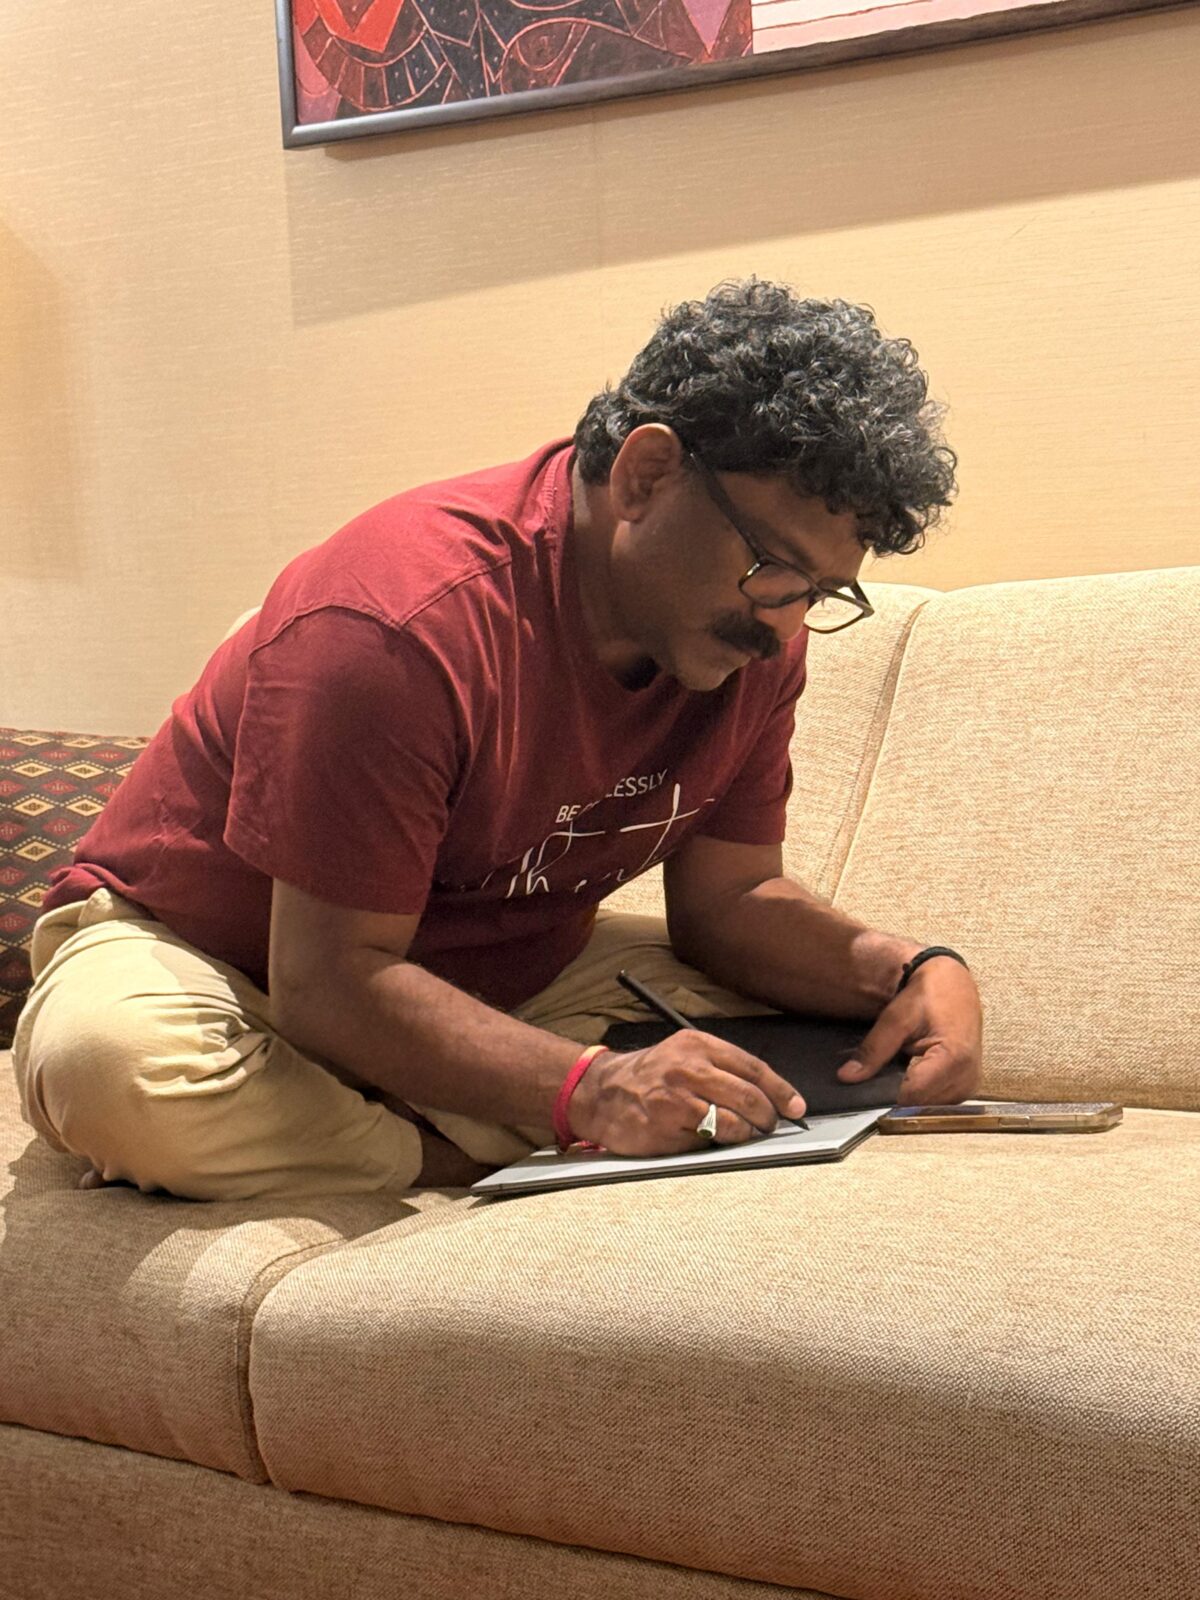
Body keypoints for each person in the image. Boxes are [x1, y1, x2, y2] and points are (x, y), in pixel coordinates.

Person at [12, 279, 983, 1201]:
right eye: (773, 567)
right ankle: (453, 1147)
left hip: (507, 980)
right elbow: (328, 983)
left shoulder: (750, 643)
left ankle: (389, 1122)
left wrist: (905, 967)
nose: (784, 623)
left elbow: (728, 902)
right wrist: (589, 1091)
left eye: (820, 591)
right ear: (646, 475)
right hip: (228, 969)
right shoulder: (399, 625)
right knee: (113, 1073)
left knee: (817, 1042)